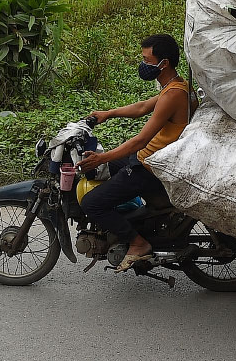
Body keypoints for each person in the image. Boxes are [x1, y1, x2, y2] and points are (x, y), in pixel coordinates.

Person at [77, 33, 193, 272]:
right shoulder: (175, 86)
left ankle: (138, 243)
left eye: (147, 60)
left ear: (164, 63)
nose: (143, 65)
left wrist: (103, 156)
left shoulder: (173, 95)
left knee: (92, 204)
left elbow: (140, 140)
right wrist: (108, 113)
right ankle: (127, 223)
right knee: (108, 166)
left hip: (149, 166)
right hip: (148, 158)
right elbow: (141, 107)